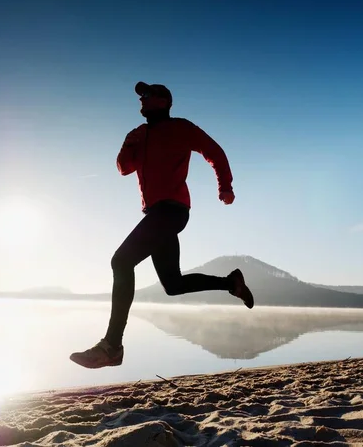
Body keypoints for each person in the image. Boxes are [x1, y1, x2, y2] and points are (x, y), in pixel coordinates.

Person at [69, 82, 254, 369]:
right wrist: (128, 144)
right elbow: (123, 168)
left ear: (163, 101)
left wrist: (225, 188)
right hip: (156, 214)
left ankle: (112, 346)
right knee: (173, 285)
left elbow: (214, 152)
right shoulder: (139, 134)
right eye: (140, 96)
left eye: (147, 95)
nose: (141, 100)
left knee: (121, 261)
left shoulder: (181, 127)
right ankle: (231, 283)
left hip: (172, 210)